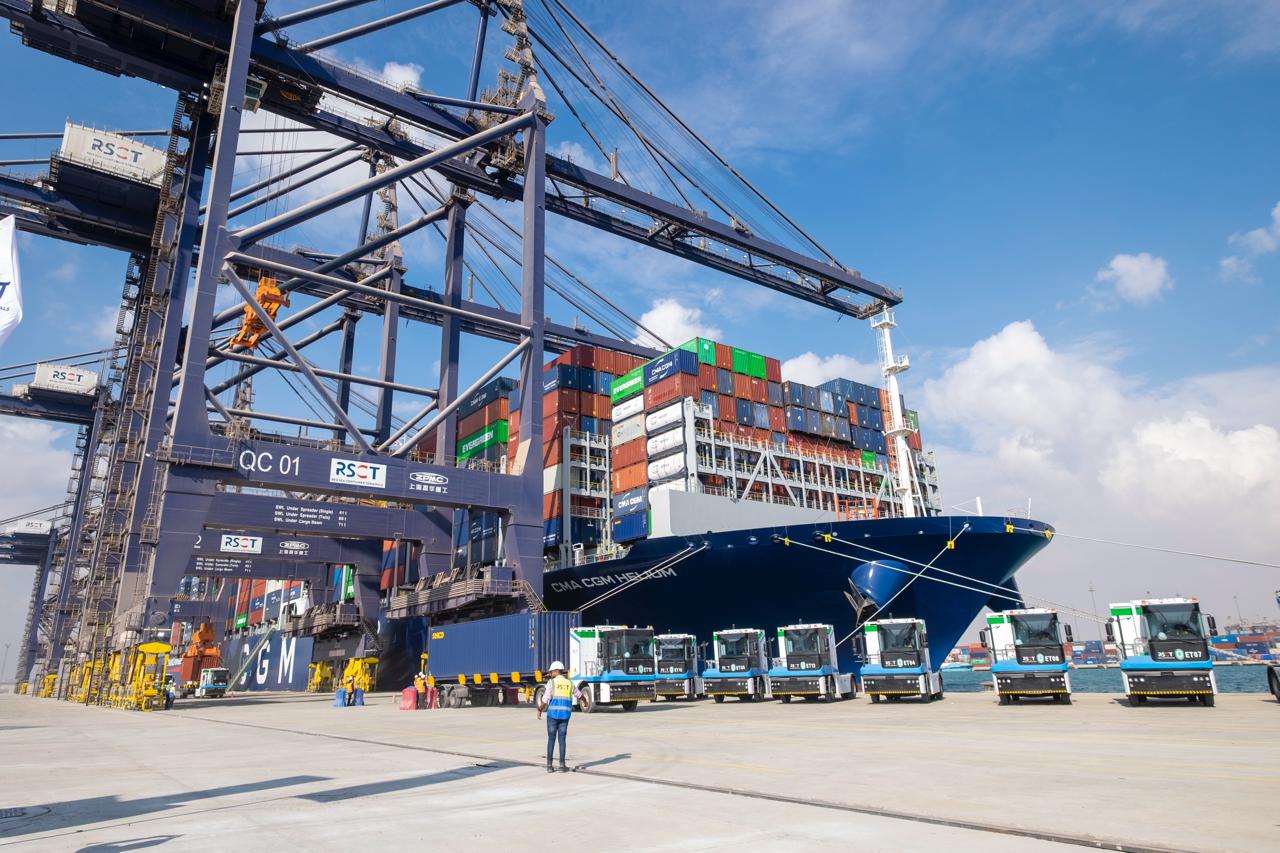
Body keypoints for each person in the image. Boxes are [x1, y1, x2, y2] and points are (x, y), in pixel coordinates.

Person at [537, 661, 582, 773]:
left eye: (552, 671)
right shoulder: (570, 683)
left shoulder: (551, 683)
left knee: (551, 739)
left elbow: (545, 699)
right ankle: (562, 765)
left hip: (552, 716)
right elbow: (579, 694)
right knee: (562, 740)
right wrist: (585, 702)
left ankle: (549, 766)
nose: (551, 673)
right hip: (565, 716)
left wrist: (539, 710)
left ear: (557, 671)